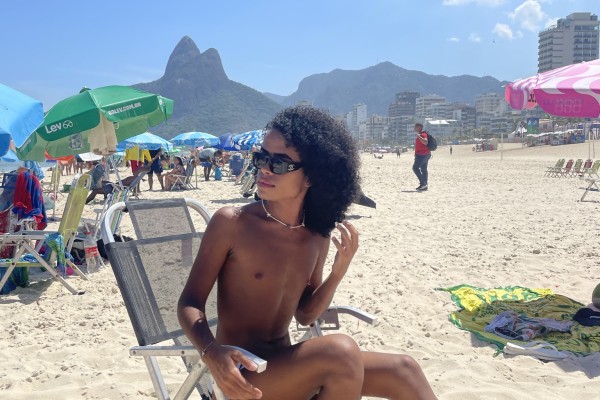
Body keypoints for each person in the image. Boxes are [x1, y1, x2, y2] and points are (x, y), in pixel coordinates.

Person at [178, 106, 437, 400]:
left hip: (287, 367)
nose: (264, 169)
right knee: (341, 353)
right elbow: (189, 302)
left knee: (404, 369)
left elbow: (305, 314)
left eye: (279, 163)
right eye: (261, 157)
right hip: (240, 374)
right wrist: (212, 353)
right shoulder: (233, 223)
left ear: (312, 176)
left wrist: (337, 273)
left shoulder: (315, 236)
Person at [412, 123, 431, 191]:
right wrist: (415, 153)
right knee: (423, 169)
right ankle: (424, 185)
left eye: (415, 127)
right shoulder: (421, 134)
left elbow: (425, 142)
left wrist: (419, 136)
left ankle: (423, 183)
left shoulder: (423, 134)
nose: (414, 128)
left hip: (423, 154)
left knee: (415, 168)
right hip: (423, 154)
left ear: (419, 127)